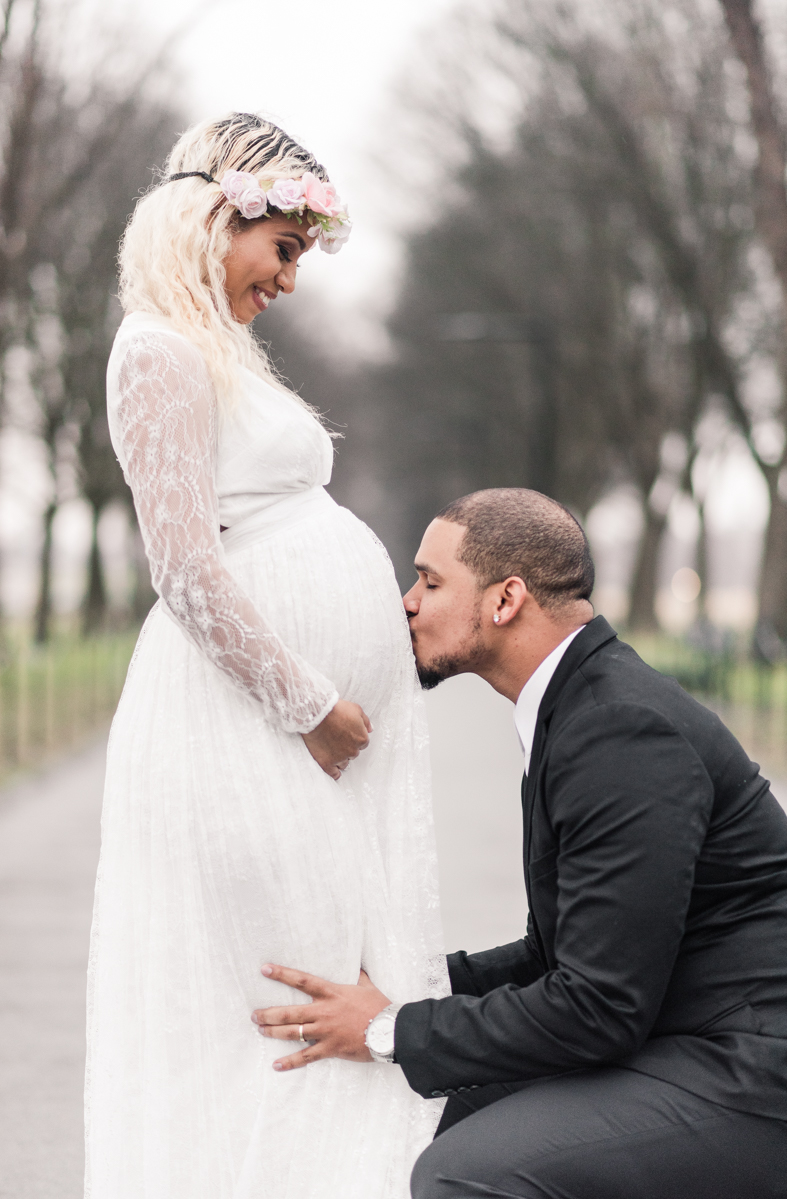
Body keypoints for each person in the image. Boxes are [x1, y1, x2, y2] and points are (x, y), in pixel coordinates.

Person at [85, 113, 448, 1199]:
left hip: (288, 733)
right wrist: (310, 704)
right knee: (286, 989)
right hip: (243, 729)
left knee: (325, 985)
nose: (288, 278)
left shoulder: (208, 353)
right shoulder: (153, 350)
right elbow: (185, 568)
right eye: (283, 248)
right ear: (217, 216)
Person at [253, 487, 787, 1199]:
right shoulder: (578, 706)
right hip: (677, 1035)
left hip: (756, 1072)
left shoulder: (621, 730)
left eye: (430, 579)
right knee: (434, 1118)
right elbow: (558, 958)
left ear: (505, 599)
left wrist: (391, 1027)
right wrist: (410, 984)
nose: (408, 601)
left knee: (461, 1172)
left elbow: (599, 1005)